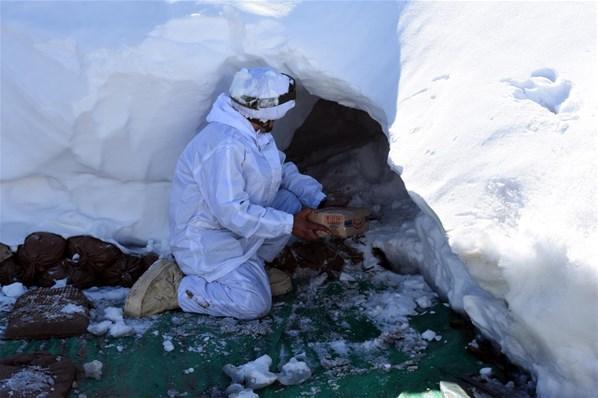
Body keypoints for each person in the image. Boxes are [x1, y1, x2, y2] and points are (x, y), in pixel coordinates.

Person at [125, 67, 329, 320]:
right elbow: (232, 212)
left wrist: (320, 200)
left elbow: (282, 170)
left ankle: (254, 269)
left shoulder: (253, 131)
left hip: (235, 231)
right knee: (254, 304)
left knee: (289, 202)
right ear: (267, 113)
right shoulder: (225, 145)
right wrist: (291, 225)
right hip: (207, 239)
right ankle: (178, 287)